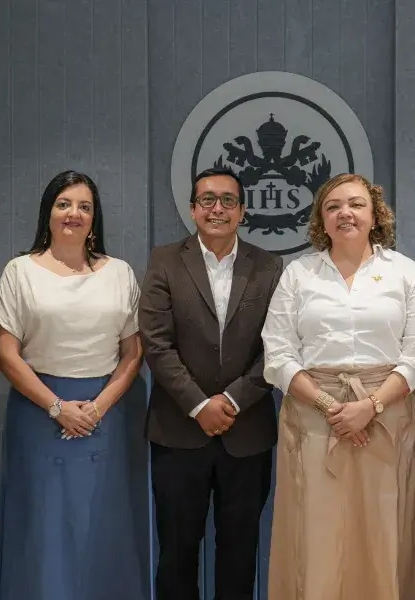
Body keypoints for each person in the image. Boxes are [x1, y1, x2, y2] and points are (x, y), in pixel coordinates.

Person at [261, 173, 415, 599]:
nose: (346, 212)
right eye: (333, 206)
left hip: (389, 417)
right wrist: (331, 406)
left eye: (357, 204)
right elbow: (277, 355)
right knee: (316, 535)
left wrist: (370, 406)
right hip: (313, 418)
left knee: (384, 531)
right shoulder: (298, 274)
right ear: (321, 220)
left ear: (375, 214)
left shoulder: (405, 273)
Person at [0, 171, 145, 600]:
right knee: (42, 530)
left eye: (84, 206)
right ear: (48, 213)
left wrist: (96, 408)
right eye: (63, 204)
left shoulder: (120, 273)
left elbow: (133, 353)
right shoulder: (19, 271)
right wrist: (58, 407)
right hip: (38, 414)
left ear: (94, 219)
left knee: (101, 525)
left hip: (105, 417)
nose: (73, 213)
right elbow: (5, 354)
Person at [139, 166, 283, 600]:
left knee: (240, 551)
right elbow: (156, 343)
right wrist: (201, 405)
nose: (216, 209)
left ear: (242, 211)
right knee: (177, 553)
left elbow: (278, 347)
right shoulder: (165, 260)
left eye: (227, 201)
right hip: (178, 431)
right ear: (192, 209)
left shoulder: (270, 266)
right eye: (207, 200)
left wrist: (234, 400)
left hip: (248, 433)